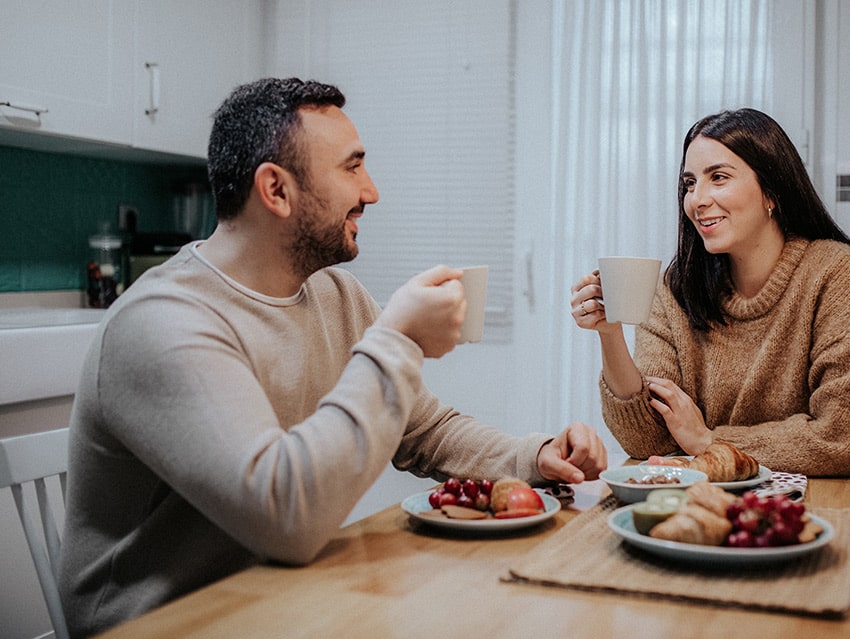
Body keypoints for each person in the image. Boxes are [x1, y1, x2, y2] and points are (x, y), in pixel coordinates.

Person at [58, 77, 607, 637]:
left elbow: (423, 431)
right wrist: (398, 338)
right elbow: (286, 518)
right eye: (352, 167)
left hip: (280, 597)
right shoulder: (163, 323)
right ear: (276, 190)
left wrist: (532, 457)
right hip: (168, 622)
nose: (371, 191)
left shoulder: (334, 296)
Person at [570, 108, 850, 477]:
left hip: (822, 505)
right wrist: (610, 332)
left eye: (719, 178)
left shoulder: (840, 275)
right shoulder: (675, 287)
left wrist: (709, 442)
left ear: (771, 191)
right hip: (707, 500)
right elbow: (648, 439)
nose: (698, 199)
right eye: (690, 183)